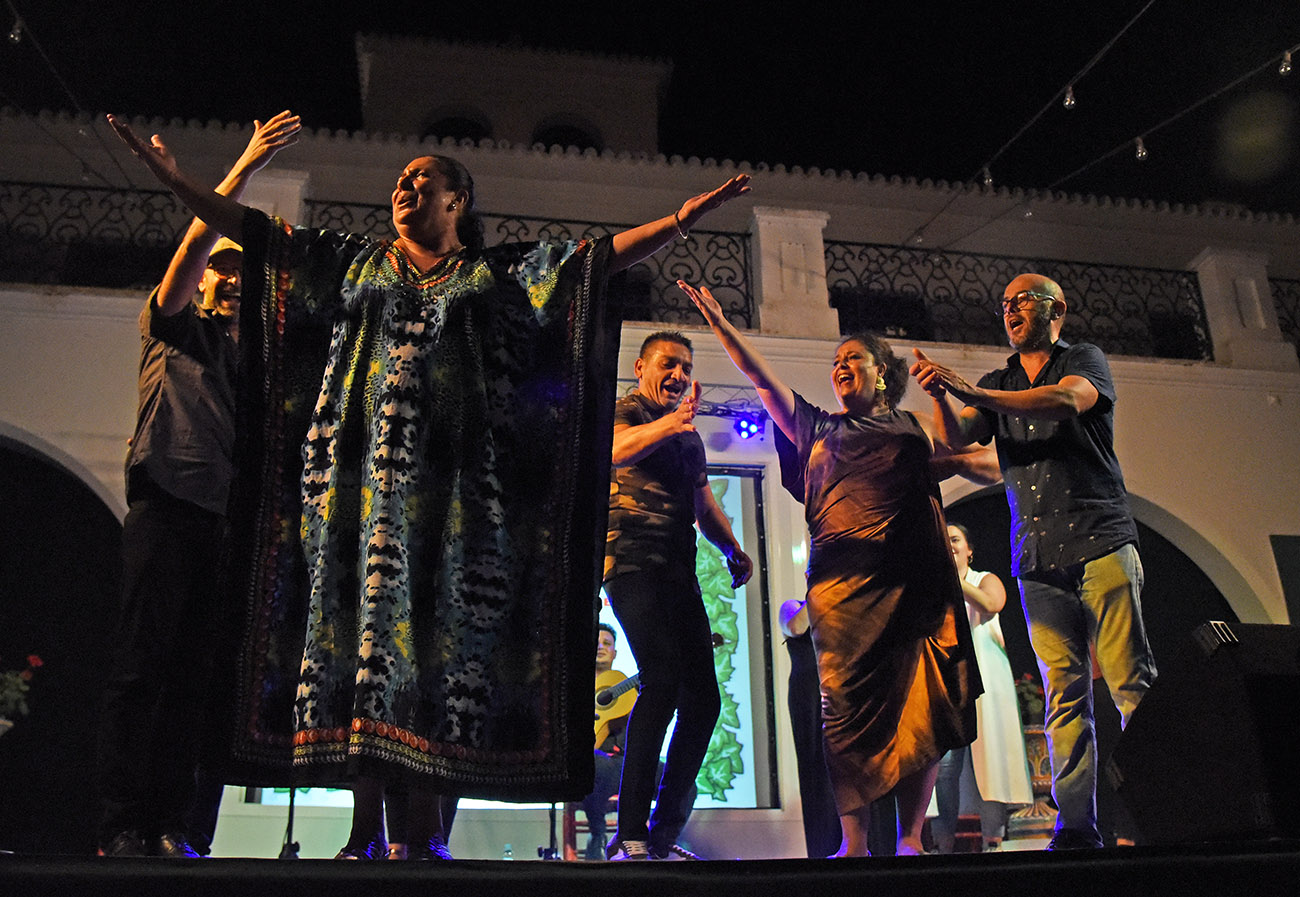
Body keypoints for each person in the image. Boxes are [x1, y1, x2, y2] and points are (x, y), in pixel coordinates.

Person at [107, 113, 752, 859]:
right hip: (363, 499)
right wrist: (179, 184)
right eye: (401, 180)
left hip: (457, 505)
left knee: (440, 663)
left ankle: (423, 839)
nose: (405, 187)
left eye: (424, 180)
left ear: (458, 201)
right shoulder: (354, 263)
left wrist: (679, 220)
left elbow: (591, 261)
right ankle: (361, 835)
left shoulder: (490, 276)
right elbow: (253, 232)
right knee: (367, 654)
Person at [680, 281, 981, 857]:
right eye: (836, 361)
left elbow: (961, 447)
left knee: (925, 703)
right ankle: (854, 843)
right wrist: (720, 321)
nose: (841, 367)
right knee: (841, 709)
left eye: (853, 359)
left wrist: (944, 396)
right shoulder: (816, 427)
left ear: (882, 374)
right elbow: (761, 379)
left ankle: (914, 839)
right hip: (843, 591)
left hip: (914, 586)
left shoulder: (913, 428)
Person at [95, 112, 302, 857]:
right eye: (222, 268)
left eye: (240, 273)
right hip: (166, 507)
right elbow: (192, 246)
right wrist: (240, 166)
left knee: (204, 682)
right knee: (142, 668)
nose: (226, 278)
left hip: (228, 526)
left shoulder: (263, 361)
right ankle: (122, 821)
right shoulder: (175, 326)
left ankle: (180, 825)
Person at [910, 272, 1157, 850]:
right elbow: (961, 440)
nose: (1011, 310)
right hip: (1039, 559)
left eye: (1025, 301)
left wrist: (976, 394)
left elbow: (1066, 401)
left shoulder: (1084, 360)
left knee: (1129, 683)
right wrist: (944, 395)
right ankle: (1076, 830)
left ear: (1058, 310)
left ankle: (1158, 817)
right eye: (1006, 304)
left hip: (1101, 542)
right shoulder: (997, 381)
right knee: (1064, 694)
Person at [602, 331, 754, 861]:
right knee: (662, 679)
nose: (679, 375)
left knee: (704, 700)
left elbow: (703, 504)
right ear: (641, 366)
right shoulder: (623, 411)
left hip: (678, 571)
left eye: (686, 368)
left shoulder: (688, 437)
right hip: (629, 565)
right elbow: (616, 452)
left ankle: (662, 834)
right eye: (669, 364)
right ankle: (630, 835)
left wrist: (733, 547)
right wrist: (672, 421)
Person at [930, 523, 1033, 853]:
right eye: (944, 541)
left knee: (991, 761)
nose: (950, 545)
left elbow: (991, 603)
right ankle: (942, 844)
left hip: (987, 682)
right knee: (944, 768)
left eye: (956, 539)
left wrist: (954, 580)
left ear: (969, 548)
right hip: (947, 682)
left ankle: (994, 841)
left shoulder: (984, 578)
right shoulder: (931, 587)